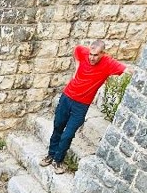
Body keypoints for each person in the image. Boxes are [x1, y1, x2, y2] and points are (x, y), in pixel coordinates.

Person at [41, 40, 126, 174]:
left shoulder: (108, 63)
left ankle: (58, 160)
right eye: (91, 54)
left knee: (68, 135)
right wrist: (77, 66)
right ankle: (50, 155)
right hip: (67, 97)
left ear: (103, 54)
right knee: (58, 127)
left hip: (81, 106)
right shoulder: (83, 52)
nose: (92, 58)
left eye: (96, 55)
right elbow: (76, 50)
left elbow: (126, 70)